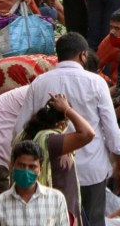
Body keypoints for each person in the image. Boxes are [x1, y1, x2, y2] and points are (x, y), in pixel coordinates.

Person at [13, 33, 120, 226]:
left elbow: (20, 129)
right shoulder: (96, 82)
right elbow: (111, 129)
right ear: (83, 55)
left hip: (51, 171)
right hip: (91, 170)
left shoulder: (40, 82)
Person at [16, 93, 96, 224]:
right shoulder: (51, 140)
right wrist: (67, 110)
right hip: (56, 213)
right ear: (61, 124)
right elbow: (88, 133)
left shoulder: (29, 134)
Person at [0, 141, 69, 226]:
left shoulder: (56, 199)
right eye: (21, 165)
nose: (26, 171)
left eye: (32, 167)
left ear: (40, 169)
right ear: (13, 165)